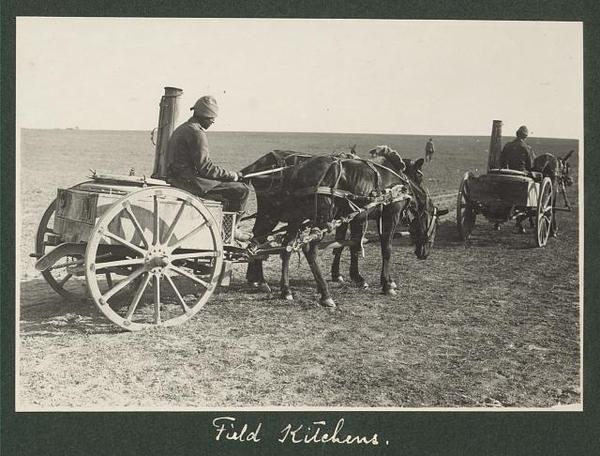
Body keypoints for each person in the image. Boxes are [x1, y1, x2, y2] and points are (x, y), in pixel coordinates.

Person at [165, 95, 252, 240]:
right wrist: (232, 175)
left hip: (177, 178)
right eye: (212, 119)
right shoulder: (197, 133)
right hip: (189, 182)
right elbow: (205, 167)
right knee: (241, 190)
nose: (212, 122)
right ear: (204, 117)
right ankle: (230, 230)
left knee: (229, 186)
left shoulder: (182, 128)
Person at [499, 125, 536, 234]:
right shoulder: (526, 147)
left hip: (508, 173)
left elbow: (502, 161)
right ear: (525, 136)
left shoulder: (508, 145)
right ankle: (523, 219)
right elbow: (530, 165)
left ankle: (498, 222)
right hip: (521, 174)